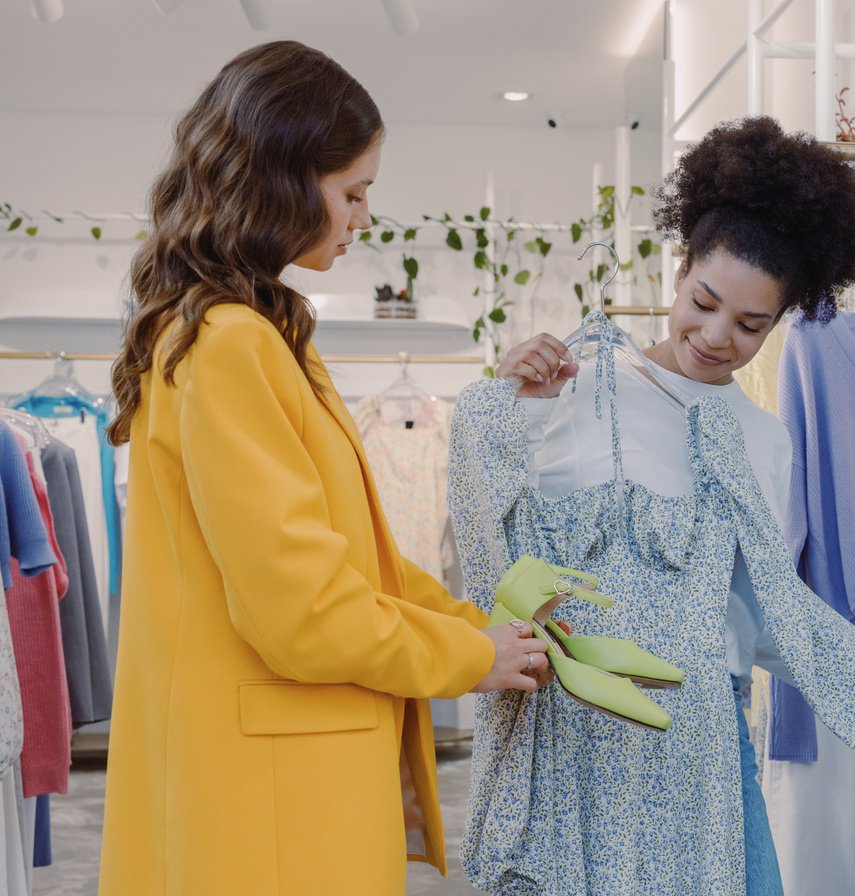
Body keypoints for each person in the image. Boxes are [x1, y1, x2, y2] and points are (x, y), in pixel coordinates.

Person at [98, 40, 549, 896]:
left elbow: (350, 557)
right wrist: (468, 653)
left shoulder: (250, 335)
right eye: (352, 193)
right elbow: (301, 608)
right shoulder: (232, 345)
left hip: (262, 779)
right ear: (282, 181)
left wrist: (479, 624)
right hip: (267, 798)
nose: (362, 217)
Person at [496, 116, 855, 896]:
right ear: (679, 269)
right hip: (581, 726)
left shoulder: (765, 442)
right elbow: (506, 537)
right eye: (703, 301)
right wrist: (521, 406)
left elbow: (761, 612)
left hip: (703, 726)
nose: (715, 336)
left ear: (783, 320)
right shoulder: (581, 384)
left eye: (750, 325)